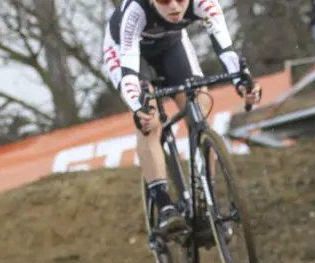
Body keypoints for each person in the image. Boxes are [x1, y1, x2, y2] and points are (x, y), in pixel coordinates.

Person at [103, 0, 263, 235]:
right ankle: (165, 205)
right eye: (165, 1)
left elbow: (226, 48)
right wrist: (138, 107)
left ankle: (205, 200)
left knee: (200, 104)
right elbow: (128, 72)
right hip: (128, 52)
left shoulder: (204, 3)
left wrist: (243, 83)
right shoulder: (135, 12)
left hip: (171, 43)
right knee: (150, 120)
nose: (175, 7)